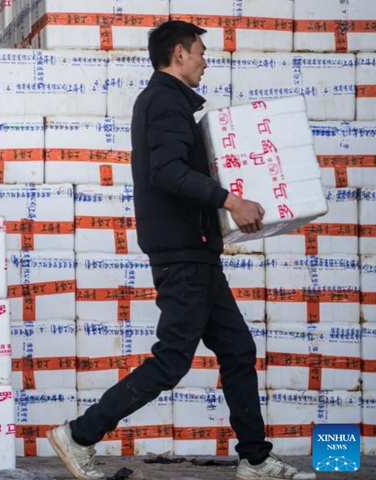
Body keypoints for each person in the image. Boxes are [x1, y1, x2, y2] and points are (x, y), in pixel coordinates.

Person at [46, 21, 316, 480]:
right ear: (179, 53)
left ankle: (253, 458)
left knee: (236, 349)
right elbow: (167, 173)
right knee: (172, 359)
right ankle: (80, 435)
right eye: (200, 51)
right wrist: (230, 200)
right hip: (184, 254)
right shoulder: (166, 101)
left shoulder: (167, 103)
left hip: (196, 251)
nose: (205, 60)